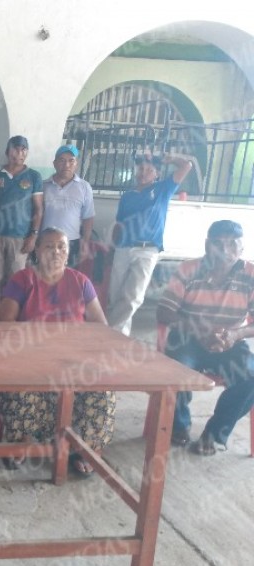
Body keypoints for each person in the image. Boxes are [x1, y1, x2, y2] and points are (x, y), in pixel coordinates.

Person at [0, 227, 115, 476]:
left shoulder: (80, 281)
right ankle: (23, 440)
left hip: (74, 359)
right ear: (37, 250)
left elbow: (100, 326)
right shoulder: (23, 279)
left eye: (62, 246)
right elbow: (3, 326)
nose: (56, 251)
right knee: (20, 384)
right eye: (49, 246)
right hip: (30, 358)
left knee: (102, 390)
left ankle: (85, 448)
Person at [157, 220, 254, 454]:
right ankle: (178, 425)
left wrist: (235, 334)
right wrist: (199, 332)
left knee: (250, 377)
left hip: (228, 342)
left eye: (233, 244)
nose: (225, 250)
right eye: (218, 244)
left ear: (242, 248)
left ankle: (214, 433)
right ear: (207, 246)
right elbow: (164, 311)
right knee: (176, 369)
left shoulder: (250, 274)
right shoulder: (188, 269)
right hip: (188, 338)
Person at [107, 151, 192, 335]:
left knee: (133, 297)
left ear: (157, 174)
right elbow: (119, 224)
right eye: (140, 169)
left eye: (149, 169)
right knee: (115, 296)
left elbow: (186, 166)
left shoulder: (163, 190)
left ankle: (111, 333)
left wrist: (172, 158)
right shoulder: (127, 196)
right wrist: (111, 249)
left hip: (147, 250)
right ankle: (120, 336)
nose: (143, 172)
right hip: (123, 248)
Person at [0, 135, 44, 320]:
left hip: (21, 239)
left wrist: (33, 236)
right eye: (16, 148)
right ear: (7, 152)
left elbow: (38, 210)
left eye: (24, 149)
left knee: (16, 282)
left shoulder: (33, 176)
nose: (20, 152)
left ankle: (12, 321)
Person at [41, 145, 95, 266]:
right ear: (54, 163)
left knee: (67, 280)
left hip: (71, 243)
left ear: (77, 163)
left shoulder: (84, 187)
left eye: (71, 160)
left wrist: (85, 242)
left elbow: (88, 218)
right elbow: (36, 214)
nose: (66, 165)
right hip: (45, 242)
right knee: (44, 278)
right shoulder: (43, 186)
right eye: (62, 160)